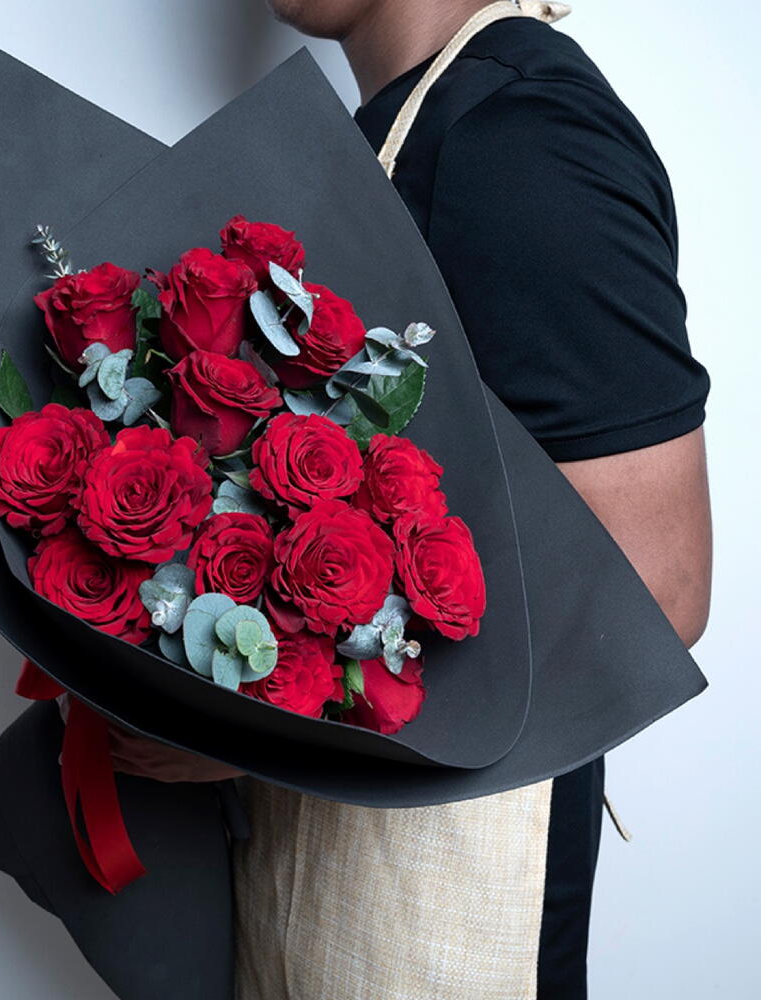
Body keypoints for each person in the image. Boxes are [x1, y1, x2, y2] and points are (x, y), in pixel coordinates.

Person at [110, 1, 713, 996]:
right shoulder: (395, 136)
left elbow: (658, 590)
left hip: (447, 896)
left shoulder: (521, 136)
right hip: (326, 868)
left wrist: (265, 718)